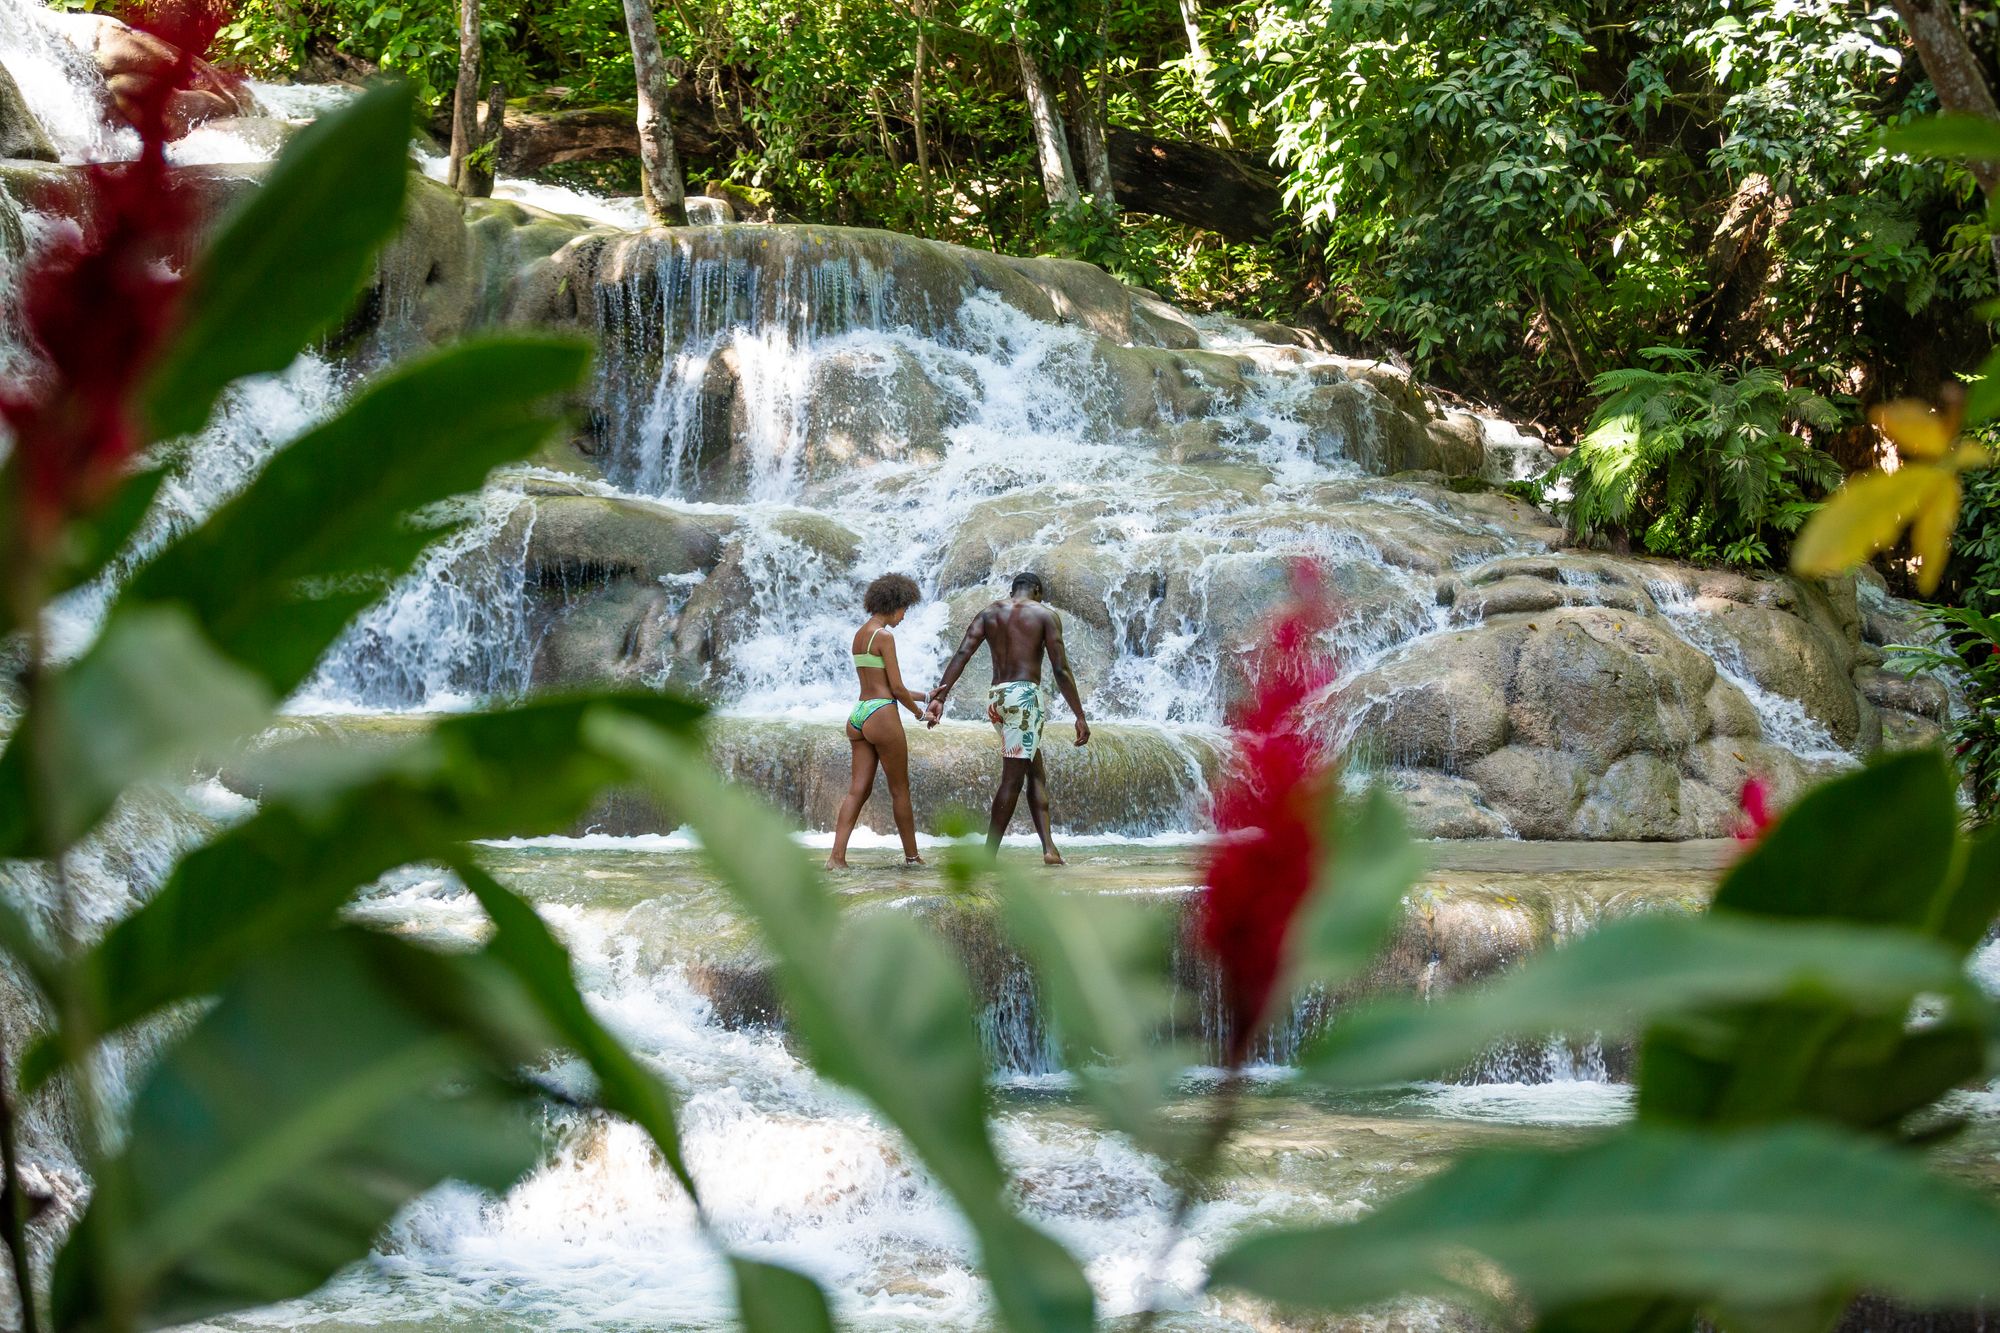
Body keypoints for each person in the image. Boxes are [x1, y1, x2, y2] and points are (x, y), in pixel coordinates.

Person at [925, 571, 1090, 864]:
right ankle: (988, 856)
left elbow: (963, 652)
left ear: (1012, 590)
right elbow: (1060, 669)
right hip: (1024, 698)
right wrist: (1079, 714)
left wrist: (940, 696)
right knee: (1012, 779)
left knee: (1034, 770)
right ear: (1037, 591)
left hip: (997, 699)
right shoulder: (1045, 615)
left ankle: (1049, 849)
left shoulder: (989, 613)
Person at [826, 573, 931, 870]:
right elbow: (895, 689)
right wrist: (921, 714)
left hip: (859, 714)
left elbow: (879, 683)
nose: (904, 616)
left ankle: (836, 858)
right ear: (894, 604)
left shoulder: (860, 635)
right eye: (905, 609)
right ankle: (912, 858)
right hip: (882, 714)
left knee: (857, 789)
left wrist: (925, 696)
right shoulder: (884, 636)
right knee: (900, 789)